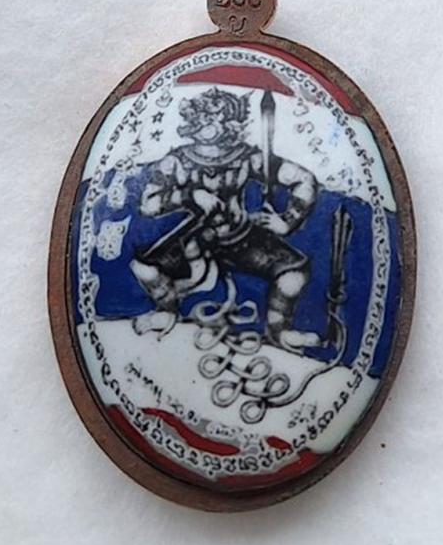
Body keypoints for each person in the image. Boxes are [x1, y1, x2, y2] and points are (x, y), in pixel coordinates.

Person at [130, 87, 320, 352]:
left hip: (239, 237)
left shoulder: (248, 158)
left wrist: (287, 221)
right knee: (143, 268)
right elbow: (148, 205)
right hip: (192, 240)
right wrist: (189, 195)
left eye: (212, 117)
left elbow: (305, 180)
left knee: (294, 276)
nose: (202, 121)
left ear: (230, 123)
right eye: (200, 115)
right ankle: (166, 311)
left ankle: (279, 331)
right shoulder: (176, 162)